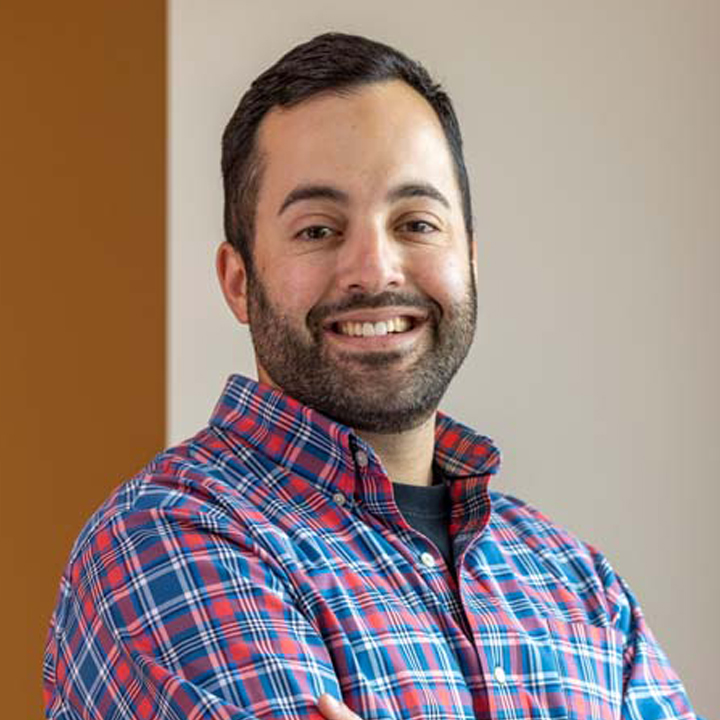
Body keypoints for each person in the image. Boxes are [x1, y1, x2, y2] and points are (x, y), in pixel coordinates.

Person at [44, 32, 701, 720]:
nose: (376, 270)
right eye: (318, 230)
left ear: (469, 259)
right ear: (239, 282)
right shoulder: (166, 544)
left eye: (416, 223)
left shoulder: (582, 589)